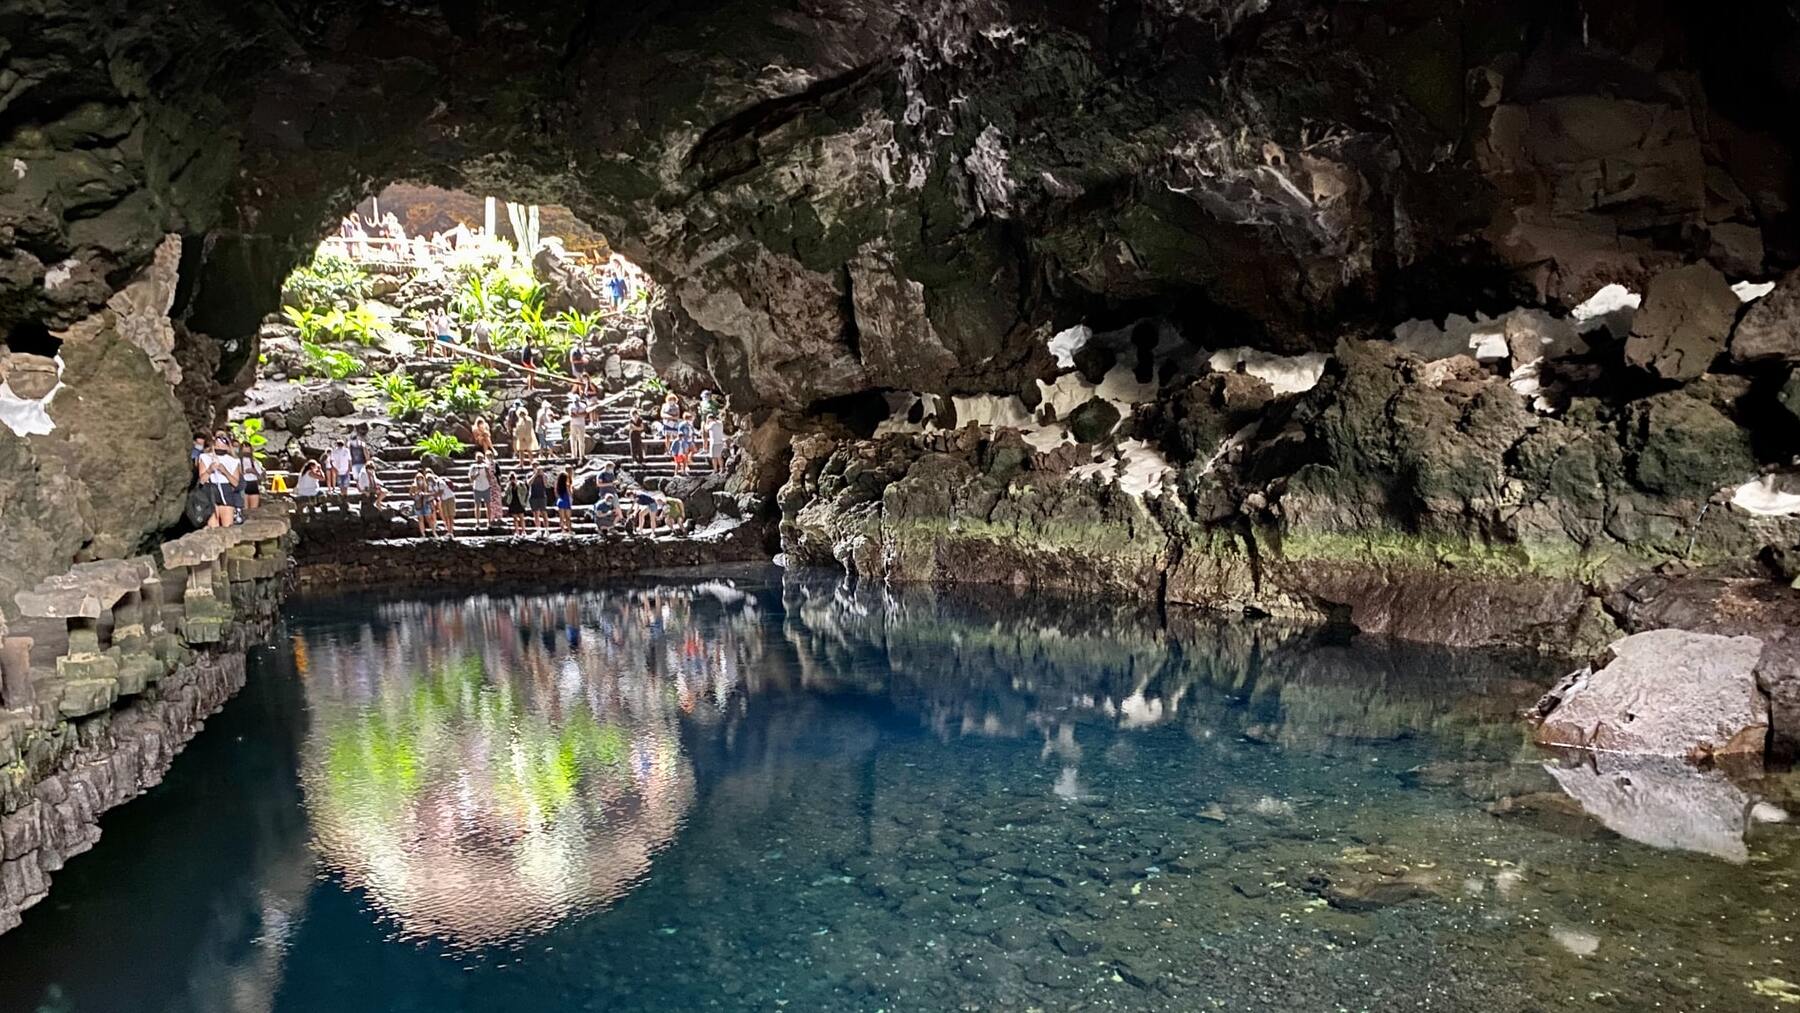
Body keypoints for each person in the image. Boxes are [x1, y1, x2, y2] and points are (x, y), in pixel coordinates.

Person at [196, 432, 241, 528]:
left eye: (223, 442)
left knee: (227, 527)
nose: (220, 445)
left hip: (226, 491)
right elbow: (202, 480)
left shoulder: (233, 461)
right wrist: (209, 470)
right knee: (212, 527)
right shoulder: (205, 457)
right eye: (217, 442)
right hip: (210, 490)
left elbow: (236, 483)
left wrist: (225, 471)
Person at [469, 452, 496, 526]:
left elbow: (489, 477)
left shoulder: (485, 466)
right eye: (478, 458)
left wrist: (487, 471)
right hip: (477, 488)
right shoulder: (473, 467)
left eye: (481, 458)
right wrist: (476, 474)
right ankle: (477, 522)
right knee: (477, 506)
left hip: (486, 487)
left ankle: (489, 521)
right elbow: (471, 478)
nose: (479, 459)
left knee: (488, 505)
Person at [410, 470, 435, 537]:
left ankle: (434, 532)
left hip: (426, 503)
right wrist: (415, 494)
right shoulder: (414, 486)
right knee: (420, 519)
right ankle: (423, 534)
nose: (420, 480)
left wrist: (424, 494)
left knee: (429, 519)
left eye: (421, 479)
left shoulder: (426, 485)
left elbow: (430, 493)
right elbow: (410, 494)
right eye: (418, 479)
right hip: (418, 505)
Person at [327, 439, 353, 506]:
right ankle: (343, 500)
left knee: (344, 486)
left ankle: (344, 499)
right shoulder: (334, 451)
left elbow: (349, 460)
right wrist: (334, 469)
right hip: (339, 471)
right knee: (342, 486)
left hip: (344, 470)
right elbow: (331, 461)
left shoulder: (346, 451)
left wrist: (349, 469)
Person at [239, 445, 263, 513]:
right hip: (243, 484)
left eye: (248, 451)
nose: (246, 453)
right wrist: (244, 472)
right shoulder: (238, 461)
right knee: (244, 509)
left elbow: (261, 476)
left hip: (253, 484)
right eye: (245, 451)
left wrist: (254, 471)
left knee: (254, 510)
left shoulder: (254, 462)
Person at [435, 470, 457, 539]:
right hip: (444, 500)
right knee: (446, 516)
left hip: (449, 498)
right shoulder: (434, 484)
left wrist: (429, 495)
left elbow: (440, 493)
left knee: (450, 515)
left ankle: (451, 531)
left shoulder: (440, 482)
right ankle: (449, 531)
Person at [347, 429, 371, 494]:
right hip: (361, 463)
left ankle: (360, 490)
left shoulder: (350, 445)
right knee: (362, 477)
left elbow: (349, 456)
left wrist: (349, 465)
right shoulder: (361, 444)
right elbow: (366, 454)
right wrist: (368, 462)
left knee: (357, 478)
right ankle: (363, 490)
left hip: (356, 464)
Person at [527, 465, 550, 531]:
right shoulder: (530, 475)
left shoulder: (544, 475)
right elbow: (529, 483)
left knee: (544, 513)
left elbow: (546, 485)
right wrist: (535, 475)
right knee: (535, 514)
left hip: (542, 496)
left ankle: (546, 529)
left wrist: (542, 475)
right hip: (533, 497)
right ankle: (538, 529)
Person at [567, 398, 588, 462]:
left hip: (581, 424)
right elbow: (571, 415)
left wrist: (577, 414)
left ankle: (582, 454)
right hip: (573, 424)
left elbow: (585, 414)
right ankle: (574, 455)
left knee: (581, 440)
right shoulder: (571, 406)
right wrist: (580, 414)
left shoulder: (583, 405)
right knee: (573, 439)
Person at [554, 468, 574, 535]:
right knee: (568, 518)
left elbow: (556, 494)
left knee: (561, 518)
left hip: (560, 501)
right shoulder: (567, 485)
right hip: (566, 501)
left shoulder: (558, 486)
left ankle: (562, 530)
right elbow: (570, 494)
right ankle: (569, 530)